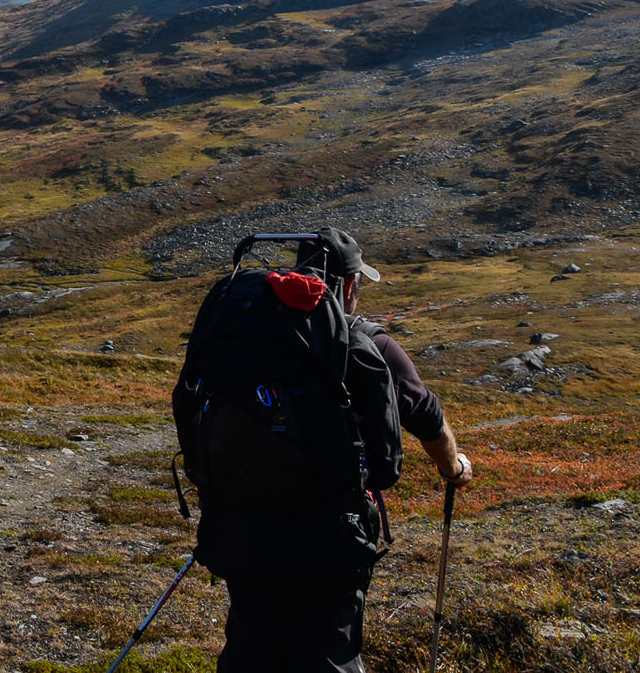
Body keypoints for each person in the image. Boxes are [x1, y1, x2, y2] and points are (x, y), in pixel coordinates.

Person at [173, 226, 472, 673]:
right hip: (328, 537)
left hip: (238, 524)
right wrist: (454, 468)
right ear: (349, 285)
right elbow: (426, 417)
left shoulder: (245, 332)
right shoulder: (366, 343)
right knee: (328, 654)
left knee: (251, 647)